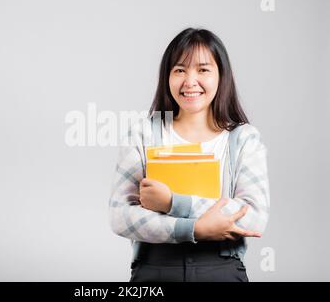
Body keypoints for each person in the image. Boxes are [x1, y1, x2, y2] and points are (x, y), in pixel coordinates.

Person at [109, 28, 270, 282]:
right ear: (167, 77)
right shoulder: (143, 133)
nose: (190, 81)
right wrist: (195, 228)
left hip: (221, 270)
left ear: (221, 75)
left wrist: (173, 203)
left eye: (203, 69)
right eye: (180, 70)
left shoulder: (244, 139)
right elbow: (121, 216)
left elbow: (253, 218)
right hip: (155, 271)